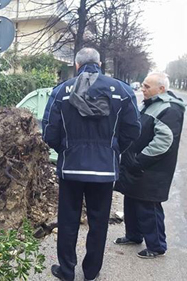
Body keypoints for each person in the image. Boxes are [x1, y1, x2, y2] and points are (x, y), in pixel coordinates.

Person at [42, 47, 141, 281]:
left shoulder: (60, 91)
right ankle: (91, 272)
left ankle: (66, 271)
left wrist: (65, 149)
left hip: (71, 168)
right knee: (98, 223)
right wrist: (113, 149)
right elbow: (133, 129)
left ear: (77, 65)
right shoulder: (122, 91)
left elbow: (49, 131)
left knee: (68, 221)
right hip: (104, 170)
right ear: (99, 63)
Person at [114, 73, 185, 258]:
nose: (143, 89)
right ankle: (134, 235)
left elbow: (164, 141)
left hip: (151, 169)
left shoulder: (169, 108)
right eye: (143, 86)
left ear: (161, 89)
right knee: (131, 199)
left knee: (148, 206)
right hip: (136, 166)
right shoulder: (151, 104)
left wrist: (139, 160)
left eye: (147, 86)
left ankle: (157, 245)